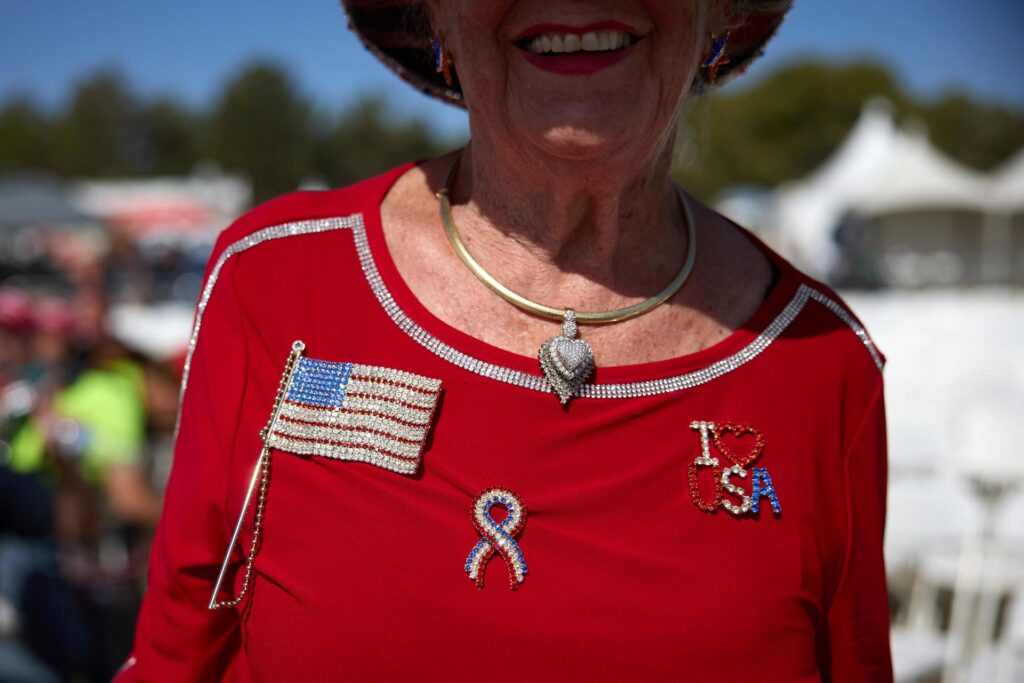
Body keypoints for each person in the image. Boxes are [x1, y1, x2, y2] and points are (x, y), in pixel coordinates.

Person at [120, 0, 894, 680]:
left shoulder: (819, 358)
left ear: (718, 14)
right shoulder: (276, 283)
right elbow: (175, 658)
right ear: (436, 15)